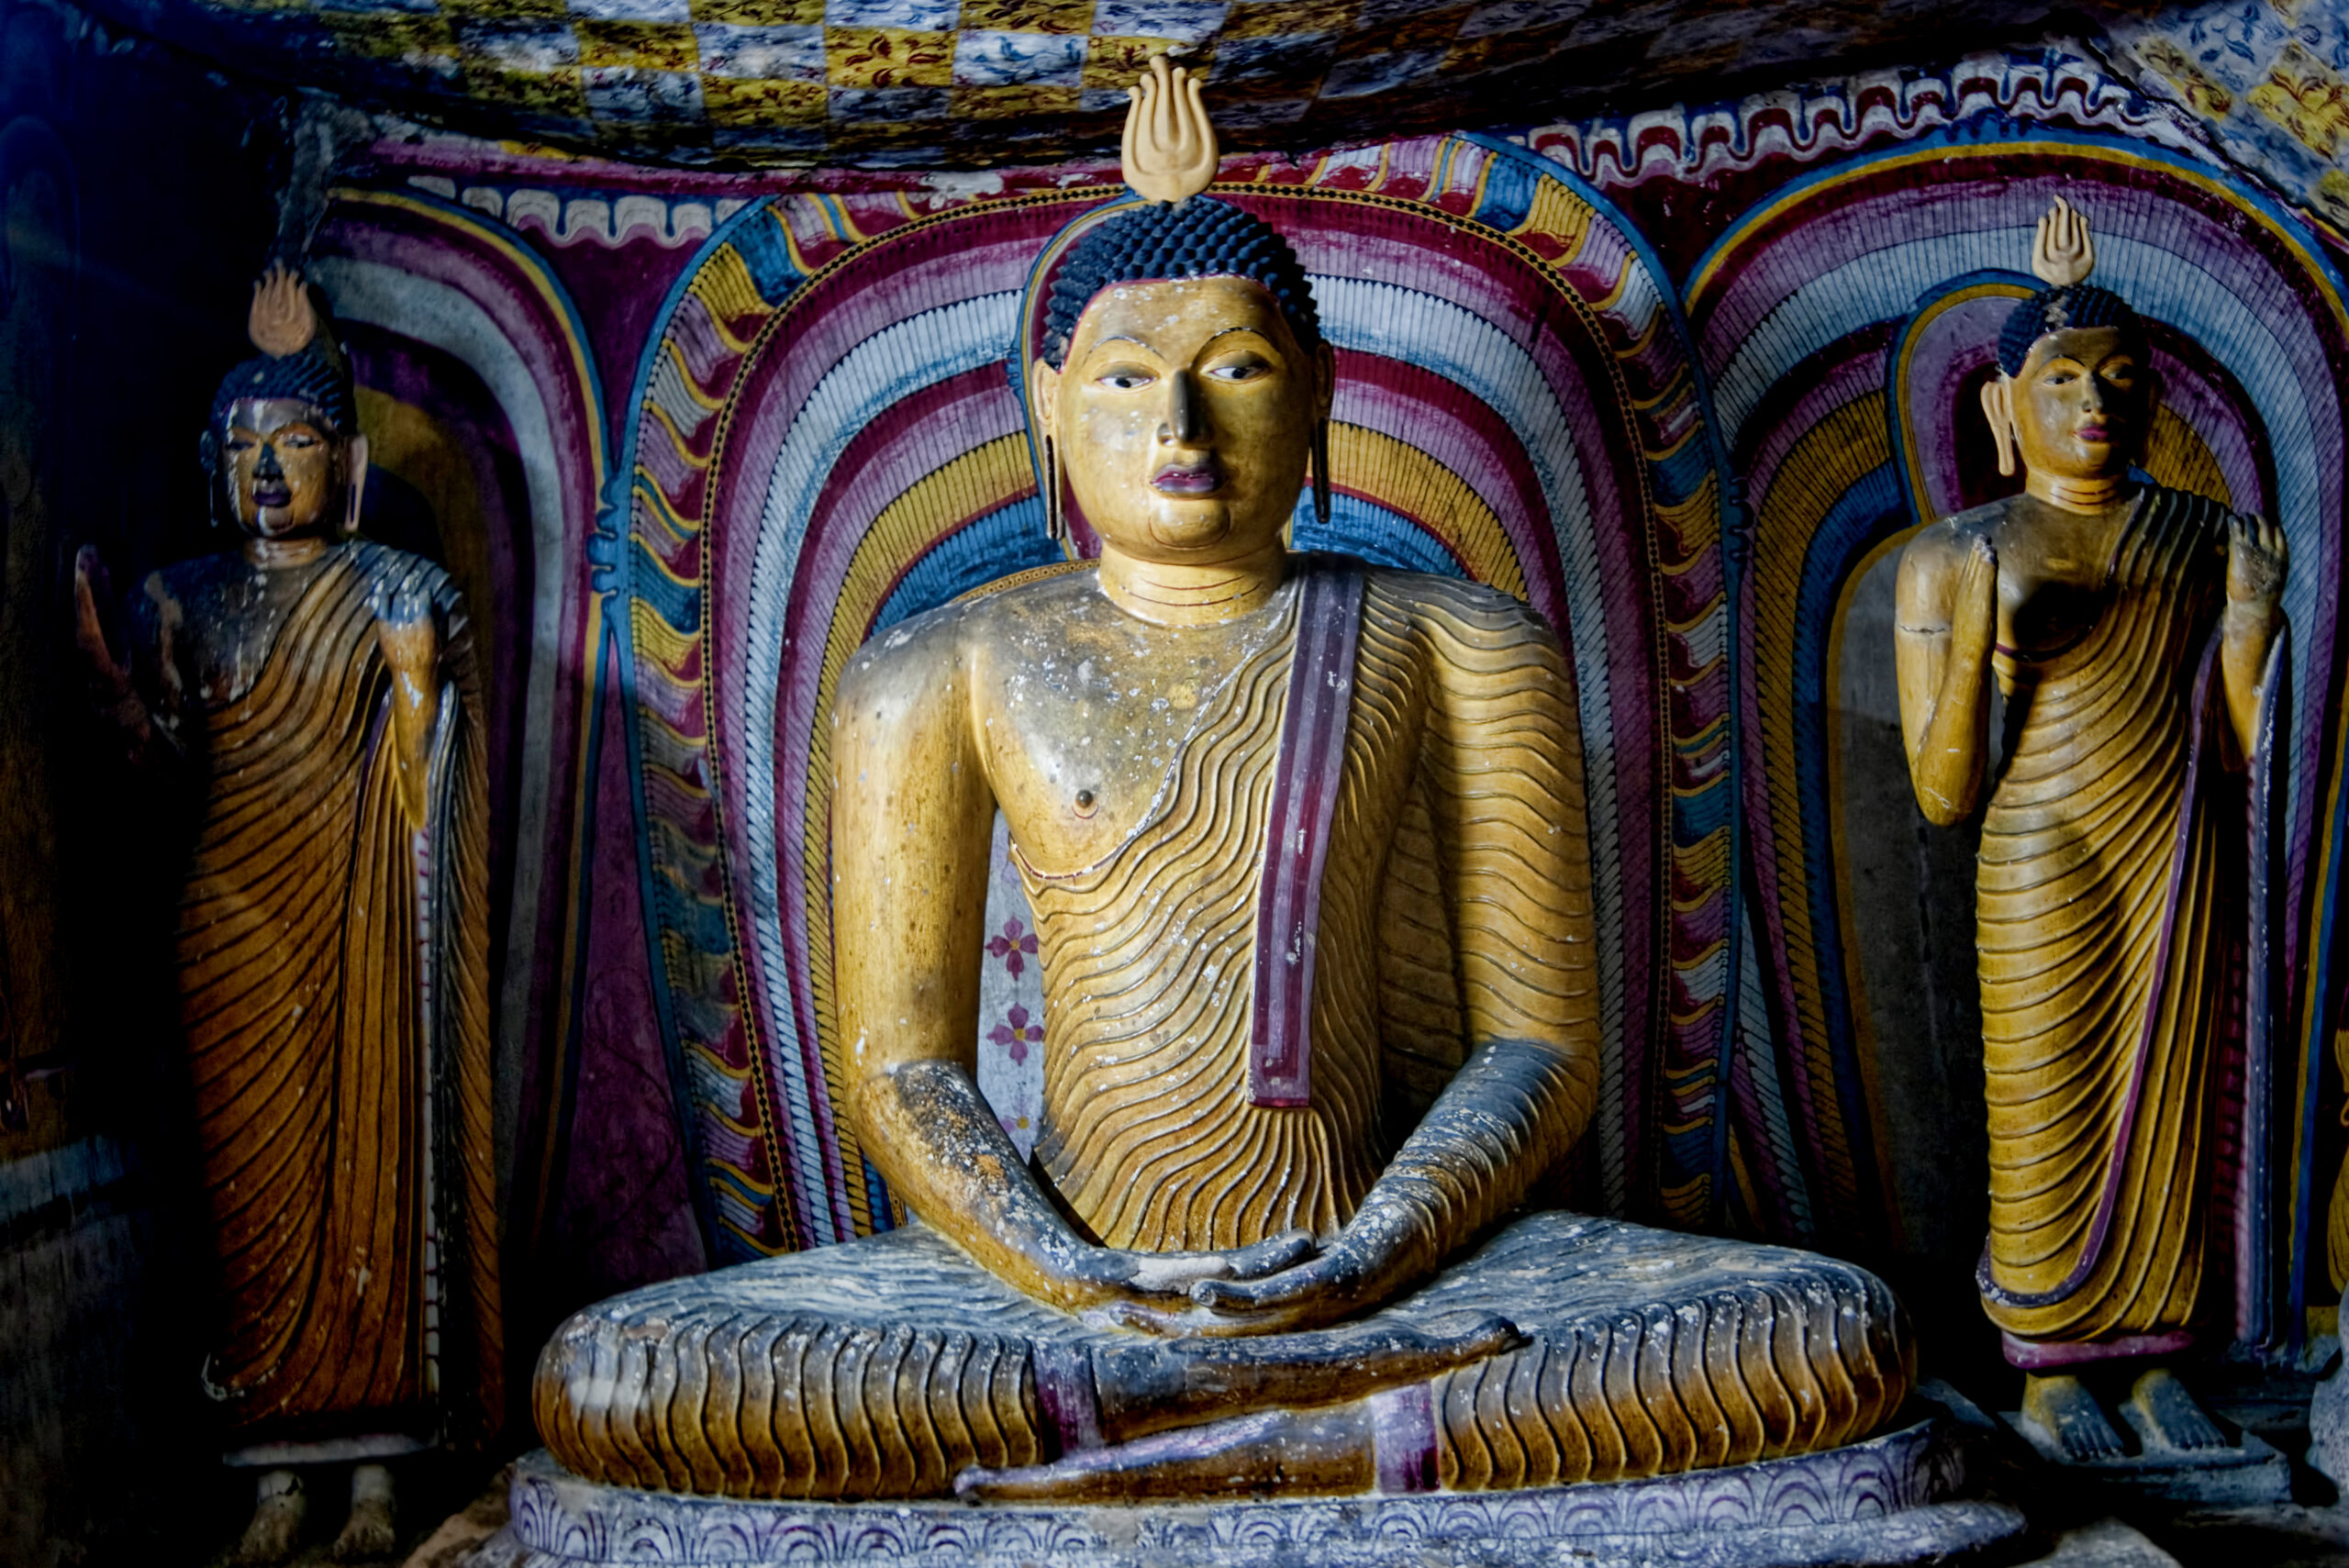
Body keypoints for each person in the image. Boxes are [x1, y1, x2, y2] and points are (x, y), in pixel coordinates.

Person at [535, 61, 1909, 1503]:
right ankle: (1298, 1425)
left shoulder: (1455, 642)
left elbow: (1539, 1050)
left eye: (1239, 369)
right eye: (1129, 380)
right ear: (1050, 406)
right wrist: (1074, 1270)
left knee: (1826, 1333)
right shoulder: (938, 669)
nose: (1180, 428)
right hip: (1060, 1288)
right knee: (619, 1374)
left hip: (1397, 1276)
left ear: (1317, 396)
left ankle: (1256, 1417)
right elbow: (901, 1067)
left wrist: (1373, 1252)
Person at [74, 266, 501, 1558]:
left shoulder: (397, 592)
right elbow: (155, 772)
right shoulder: (181, 596)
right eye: (246, 447)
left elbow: (440, 794)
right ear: (214, 463)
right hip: (231, 923)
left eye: (297, 443)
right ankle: (273, 1478)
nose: (268, 471)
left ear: (350, 462)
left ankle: (376, 1468)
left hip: (362, 914)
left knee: (373, 1168)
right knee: (244, 1193)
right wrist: (114, 692)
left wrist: (420, 690)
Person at [1895, 199, 2288, 1460]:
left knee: (2171, 1100)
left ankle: (2159, 1362)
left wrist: (2249, 620)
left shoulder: (2201, 536)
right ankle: (2053, 1371)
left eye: (2124, 381)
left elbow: (2239, 739)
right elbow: (1944, 791)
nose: (2097, 406)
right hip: (2041, 849)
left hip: (2179, 841)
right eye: (2063, 382)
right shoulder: (1958, 551)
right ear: (2007, 410)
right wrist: (1987, 633)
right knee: (2047, 1107)